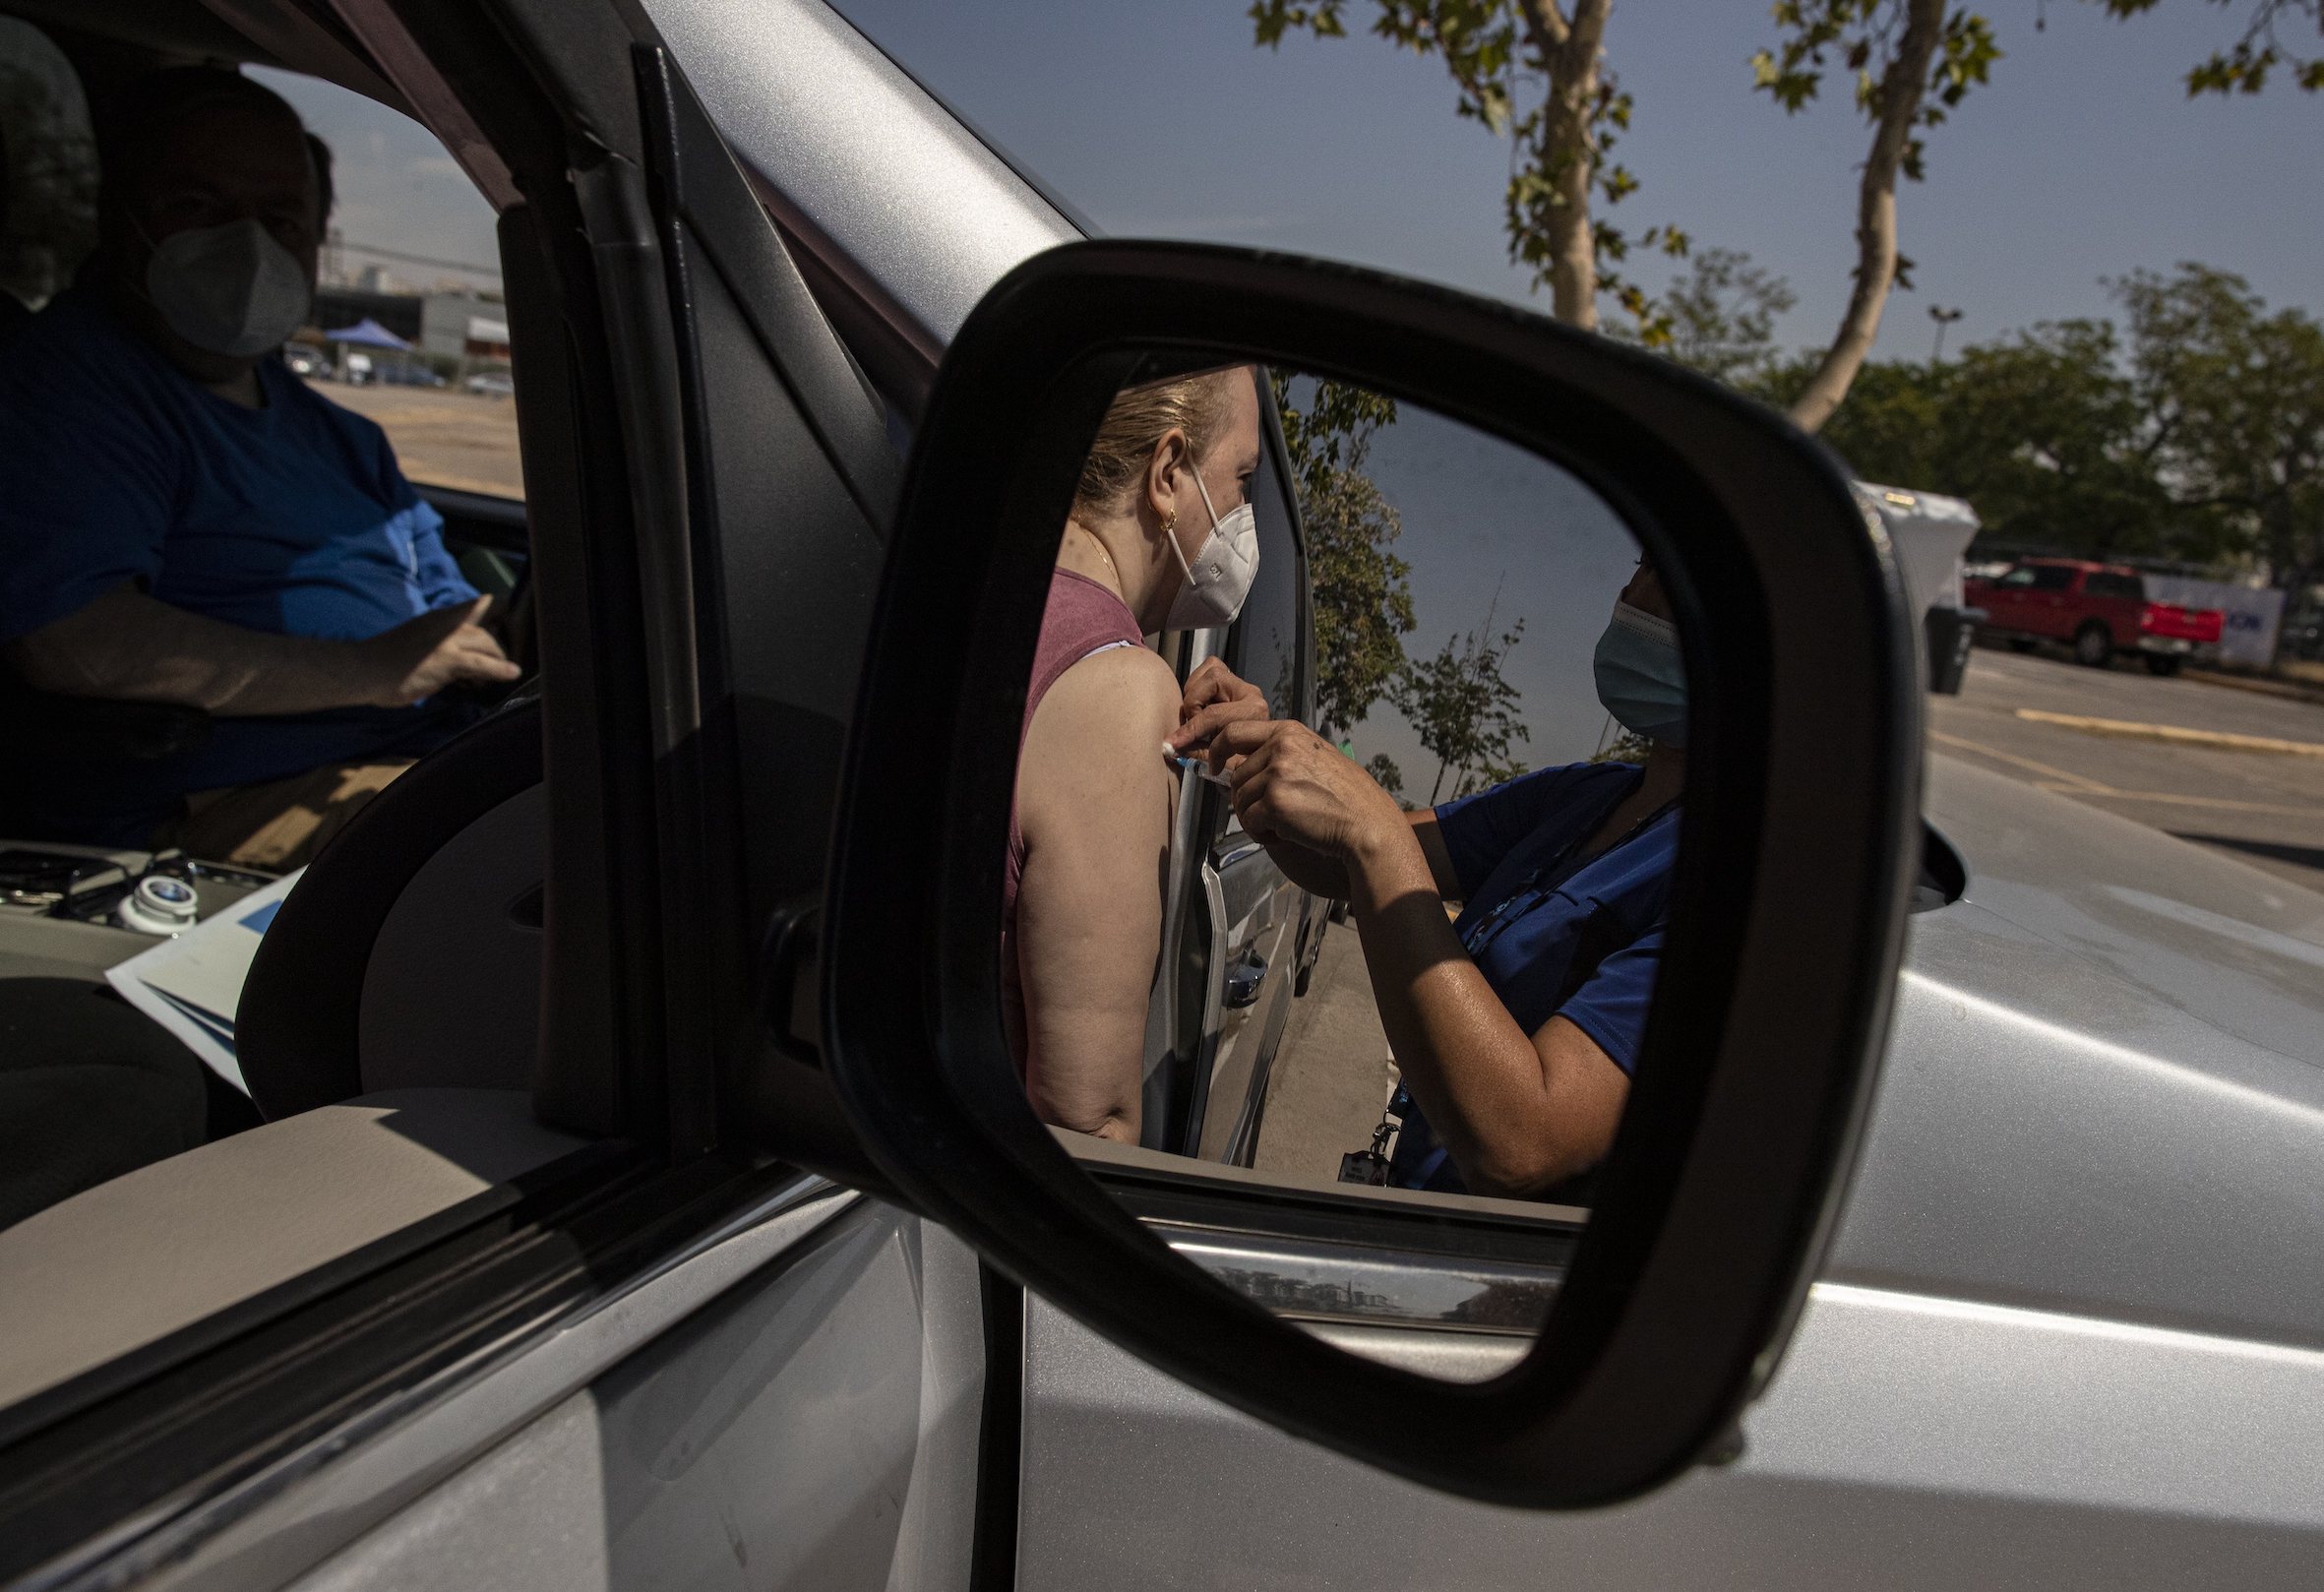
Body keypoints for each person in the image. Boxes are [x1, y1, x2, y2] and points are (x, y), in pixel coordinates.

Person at [0, 67, 519, 868]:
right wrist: (373, 671)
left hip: (409, 759)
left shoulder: (342, 434)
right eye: (197, 206)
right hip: (225, 803)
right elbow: (73, 641)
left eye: (281, 219)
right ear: (121, 217)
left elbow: (450, 613)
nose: (246, 244)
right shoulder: (75, 386)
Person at [1204, 561, 1687, 1198]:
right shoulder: (1580, 795)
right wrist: (1251, 764)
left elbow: (1522, 1142)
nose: (1626, 593)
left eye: (1662, 570)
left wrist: (1375, 834)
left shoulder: (1726, 887)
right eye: (1636, 566)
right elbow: (1340, 862)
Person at [1005, 365, 1268, 1141]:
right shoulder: (1118, 688)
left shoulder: (981, 594)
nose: (1246, 515)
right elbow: (1086, 1123)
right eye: (1243, 480)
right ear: (1168, 472)